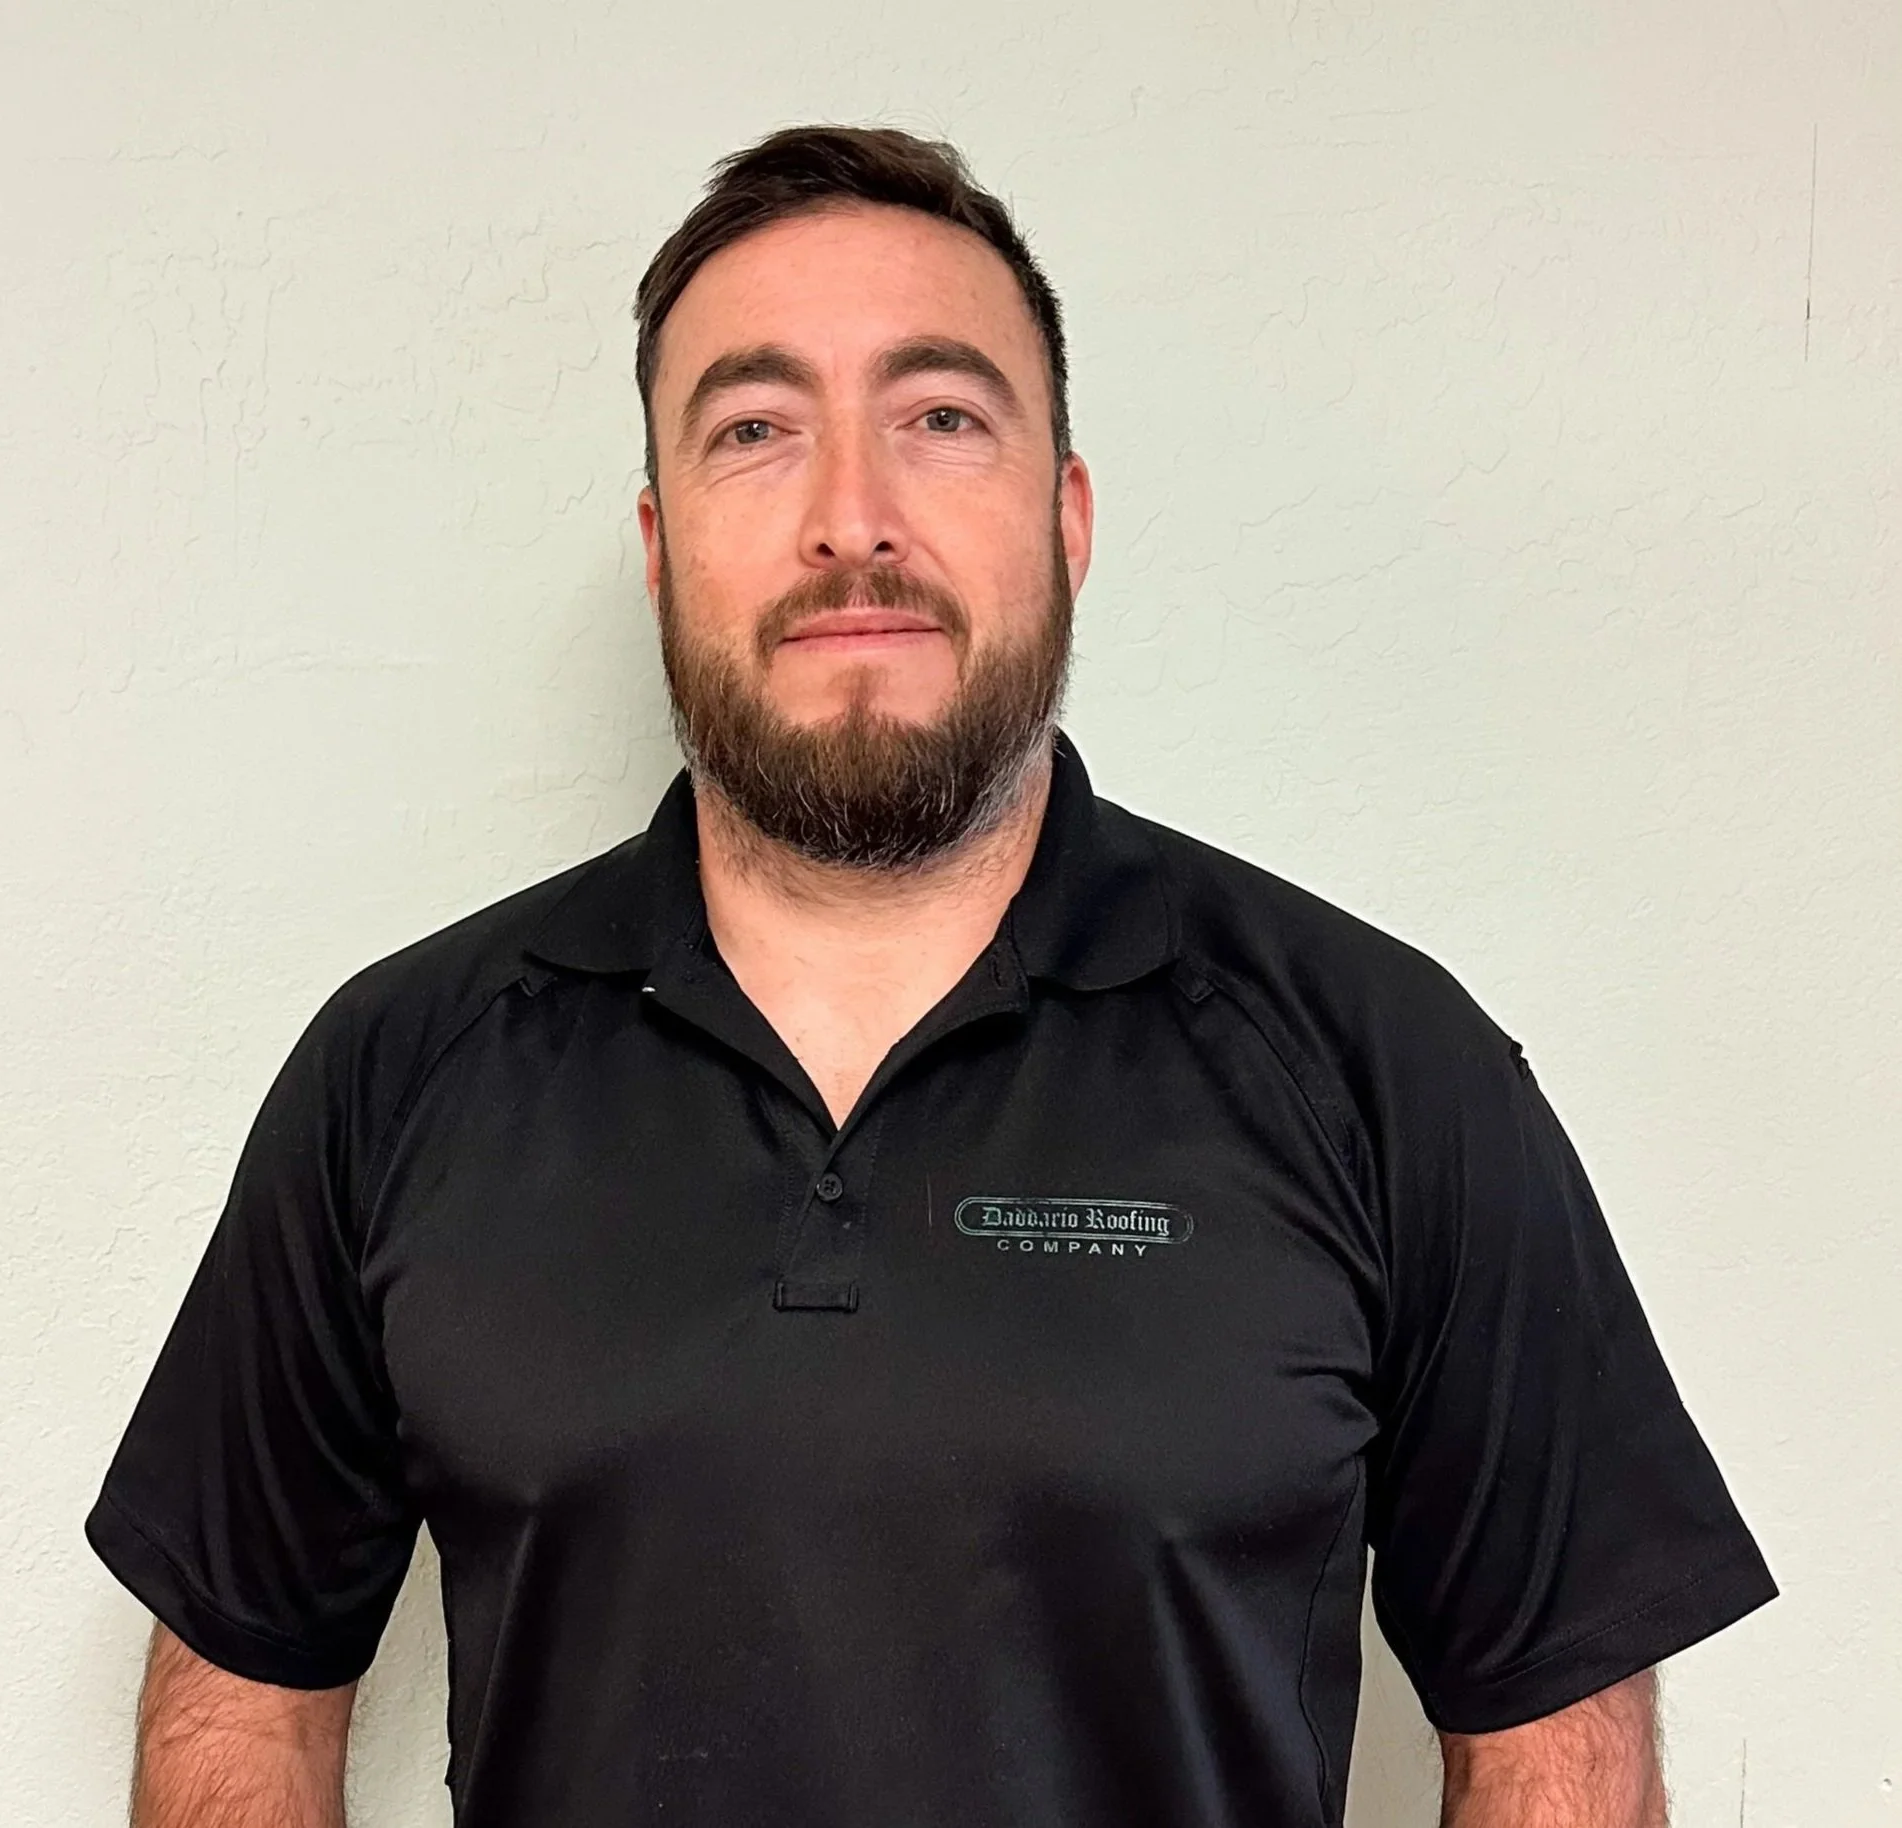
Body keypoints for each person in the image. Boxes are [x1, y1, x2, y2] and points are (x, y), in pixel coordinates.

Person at [88, 125, 1776, 1828]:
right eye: (756, 430)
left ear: (1066, 517)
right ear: (663, 546)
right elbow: (241, 1702)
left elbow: (1556, 1733)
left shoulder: (1377, 1063)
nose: (851, 519)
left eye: (939, 419)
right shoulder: (401, 1071)